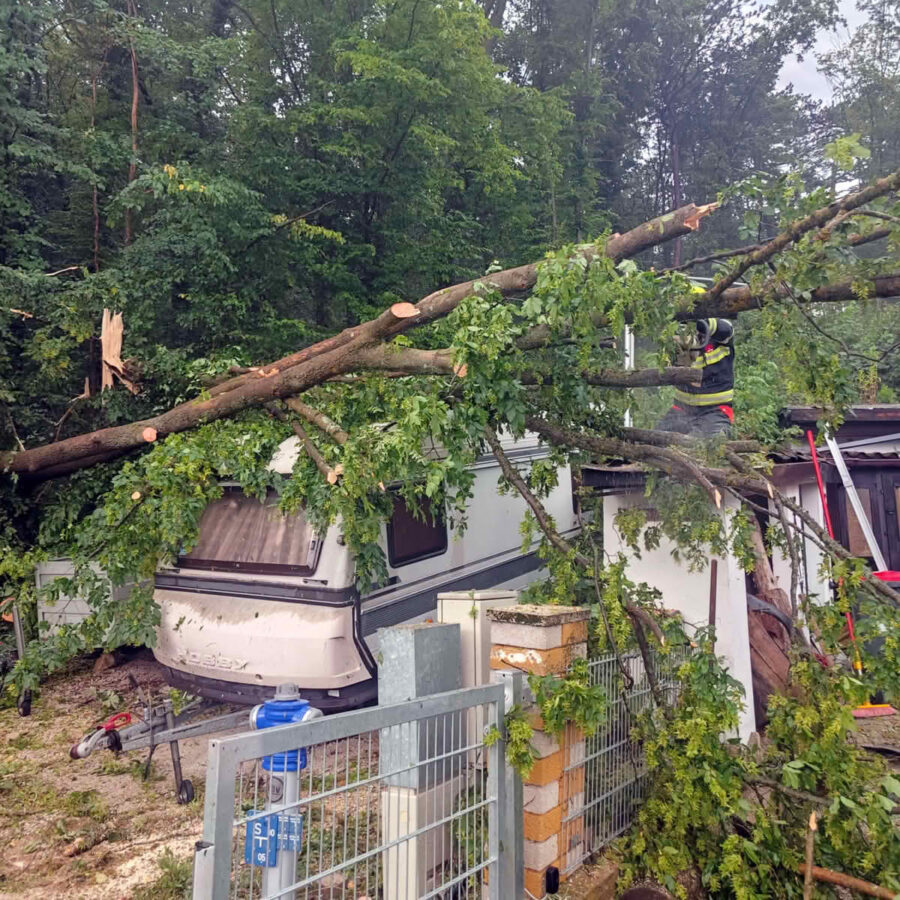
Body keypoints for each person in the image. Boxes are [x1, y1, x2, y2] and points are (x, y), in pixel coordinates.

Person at [657, 317, 735, 436]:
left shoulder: (721, 333)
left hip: (716, 411)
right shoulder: (679, 334)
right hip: (682, 409)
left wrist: (698, 320)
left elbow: (725, 329)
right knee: (657, 437)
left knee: (704, 442)